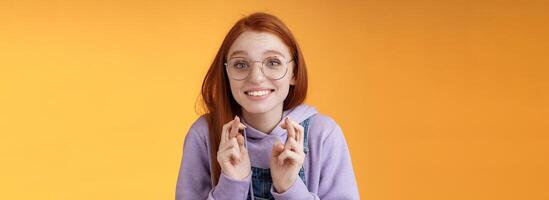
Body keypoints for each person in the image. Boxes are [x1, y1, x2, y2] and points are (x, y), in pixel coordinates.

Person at [176, 12, 359, 200]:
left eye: (273, 62)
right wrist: (231, 184)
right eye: (240, 64)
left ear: (294, 73)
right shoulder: (204, 134)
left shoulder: (323, 135)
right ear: (226, 73)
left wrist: (290, 187)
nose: (256, 77)